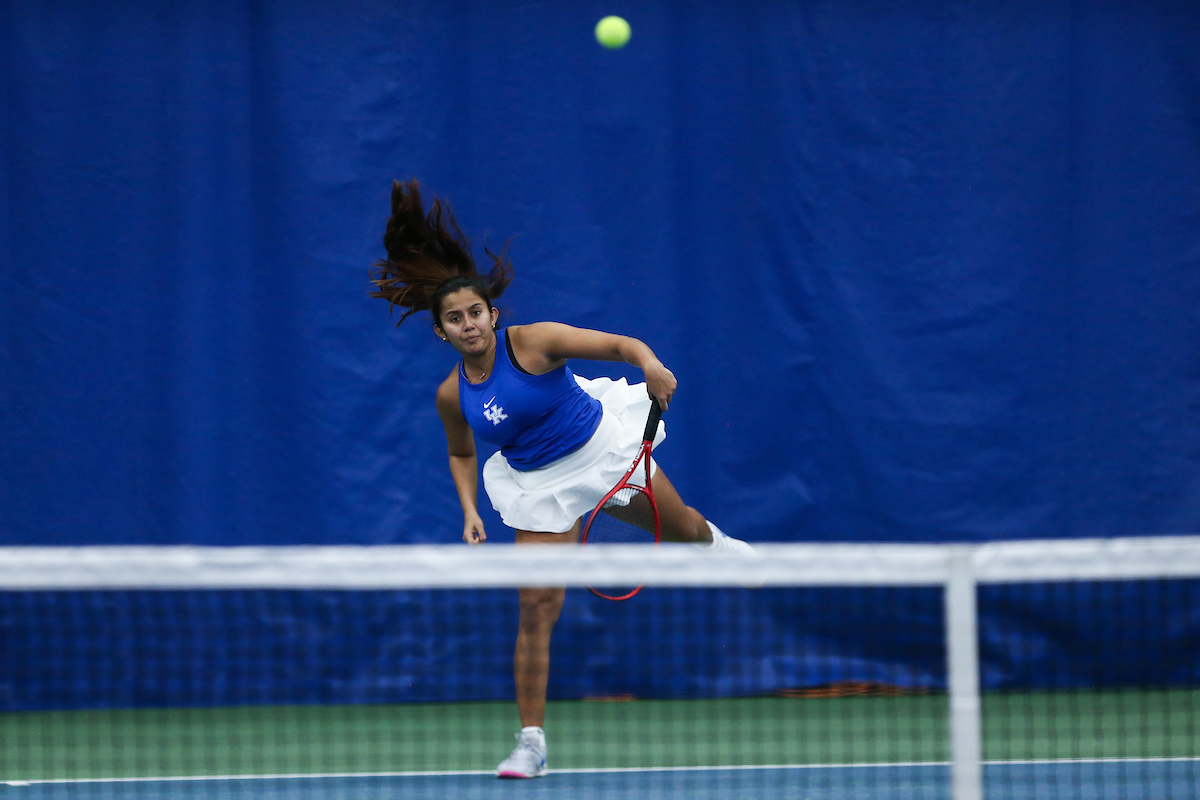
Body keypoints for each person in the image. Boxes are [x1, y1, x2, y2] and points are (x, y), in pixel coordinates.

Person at [369, 179, 753, 779]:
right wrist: (470, 510)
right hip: (538, 488)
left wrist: (651, 365)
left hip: (603, 451)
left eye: (475, 312)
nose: (468, 324)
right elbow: (463, 454)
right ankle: (531, 741)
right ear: (440, 331)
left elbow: (621, 345)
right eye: (454, 319)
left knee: (687, 529)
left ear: (492, 314)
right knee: (536, 605)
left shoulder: (536, 342)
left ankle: (725, 551)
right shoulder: (451, 395)